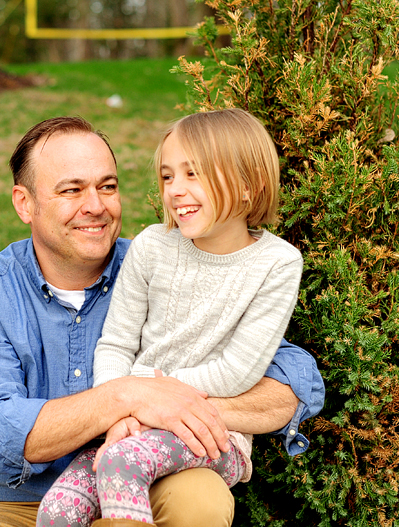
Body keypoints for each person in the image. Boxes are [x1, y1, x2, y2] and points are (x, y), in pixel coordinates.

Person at [0, 116, 324, 527]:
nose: (96, 205)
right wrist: (129, 397)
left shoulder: (159, 264)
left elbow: (290, 381)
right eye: (72, 190)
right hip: (17, 501)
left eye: (107, 187)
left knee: (200, 499)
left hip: (150, 480)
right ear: (25, 203)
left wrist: (166, 407)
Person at [35, 109, 301, 527]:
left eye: (194, 174)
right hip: (131, 427)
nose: (176, 190)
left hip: (211, 436)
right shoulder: (152, 247)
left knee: (122, 464)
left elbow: (238, 371)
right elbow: (116, 343)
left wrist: (147, 398)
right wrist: (123, 413)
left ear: (250, 186)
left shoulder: (276, 263)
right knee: (57, 510)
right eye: (167, 176)